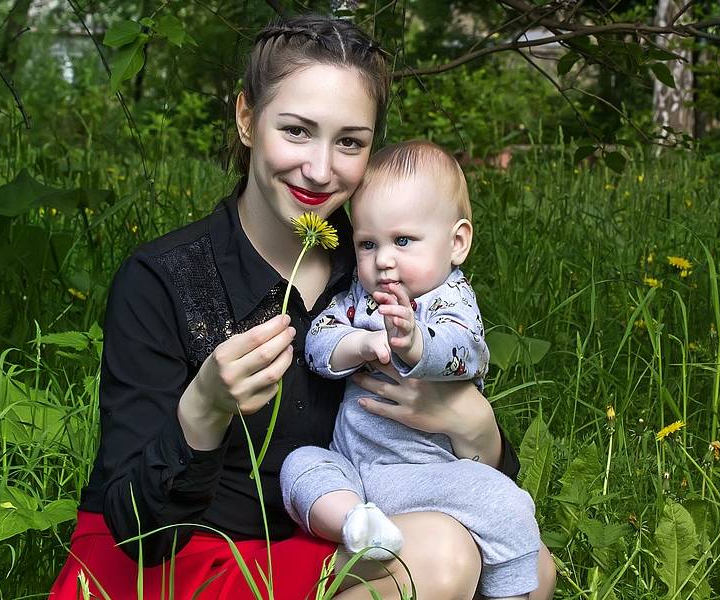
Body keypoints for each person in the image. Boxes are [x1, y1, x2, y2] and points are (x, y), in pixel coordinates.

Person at [49, 13, 556, 600]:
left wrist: (479, 431)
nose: (319, 169)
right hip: (180, 556)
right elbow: (137, 532)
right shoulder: (165, 279)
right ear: (246, 118)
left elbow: (464, 474)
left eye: (349, 142)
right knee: (440, 557)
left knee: (532, 566)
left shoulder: (379, 265)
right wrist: (204, 411)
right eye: (295, 130)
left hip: (332, 529)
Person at [280, 140, 542, 600]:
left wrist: (414, 342)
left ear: (456, 243)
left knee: (502, 502)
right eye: (368, 243)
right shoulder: (362, 298)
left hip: (419, 468)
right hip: (352, 465)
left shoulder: (450, 301)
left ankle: (510, 593)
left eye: (403, 241)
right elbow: (319, 341)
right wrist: (360, 343)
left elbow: (466, 350)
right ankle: (356, 524)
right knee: (300, 467)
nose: (383, 259)